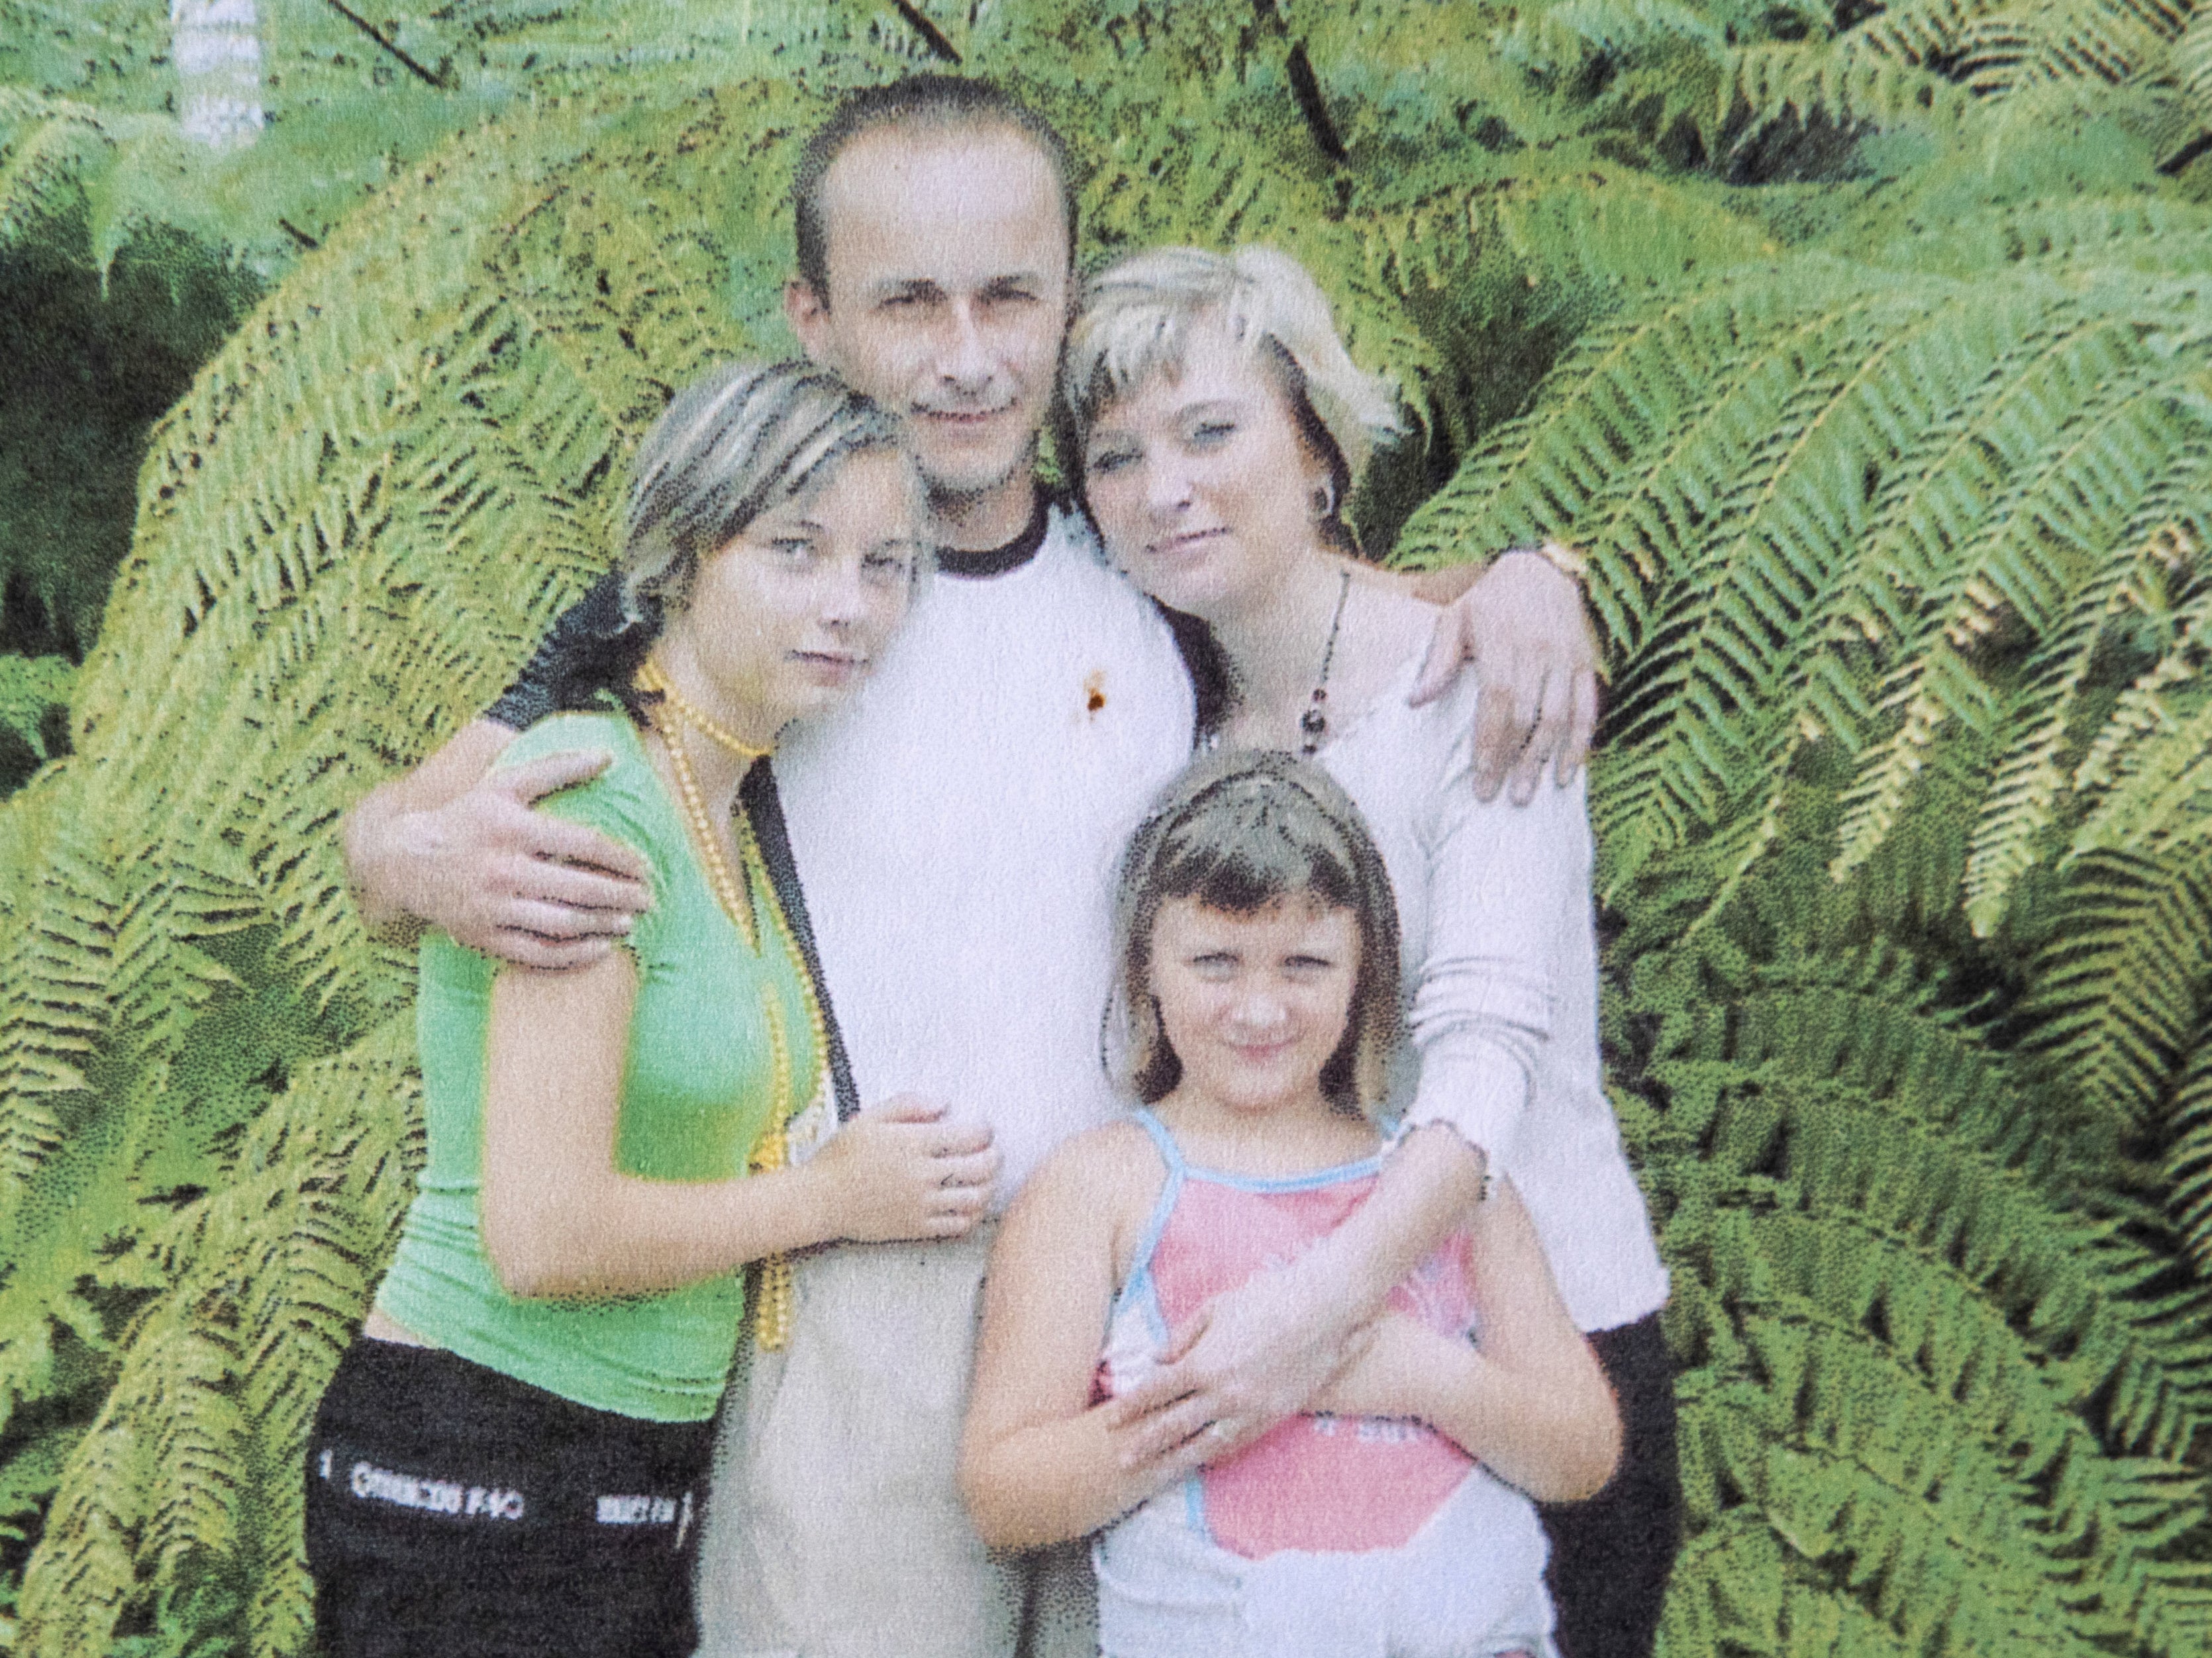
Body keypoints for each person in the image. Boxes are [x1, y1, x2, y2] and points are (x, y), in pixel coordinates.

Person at [338, 77, 1607, 1658]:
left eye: (1010, 296)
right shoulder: (763, 580)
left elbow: (1332, 602)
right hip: (859, 1302)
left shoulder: (1144, 573)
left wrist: (1523, 579)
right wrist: (402, 849)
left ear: (1065, 299)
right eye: (905, 302)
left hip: (1153, 1283)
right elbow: (407, 830)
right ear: (813, 318)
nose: (966, 354)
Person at [302, 362, 1001, 1658]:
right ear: (683, 554)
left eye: (885, 563)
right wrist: (834, 1198)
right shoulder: (591, 795)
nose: (848, 604)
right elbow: (544, 1233)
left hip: (624, 1483)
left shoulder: (729, 813)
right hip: (482, 1464)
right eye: (795, 550)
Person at [1058, 245, 1678, 1657]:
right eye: (1114, 456)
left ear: (1317, 452)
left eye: (1211, 430)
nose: (1165, 487)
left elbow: (1485, 1054)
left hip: (1532, 1349)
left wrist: (1317, 1306)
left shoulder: (1476, 679)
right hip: (1262, 1370)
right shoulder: (1165, 726)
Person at [962, 751, 1622, 1658]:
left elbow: (1583, 1452)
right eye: (1216, 963)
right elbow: (1005, 1494)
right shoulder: (1099, 1188)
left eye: (1305, 963)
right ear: (1145, 964)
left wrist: (1416, 1374)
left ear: (1365, 971)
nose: (1260, 1007)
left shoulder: (1442, 1181)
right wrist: (1207, 1409)